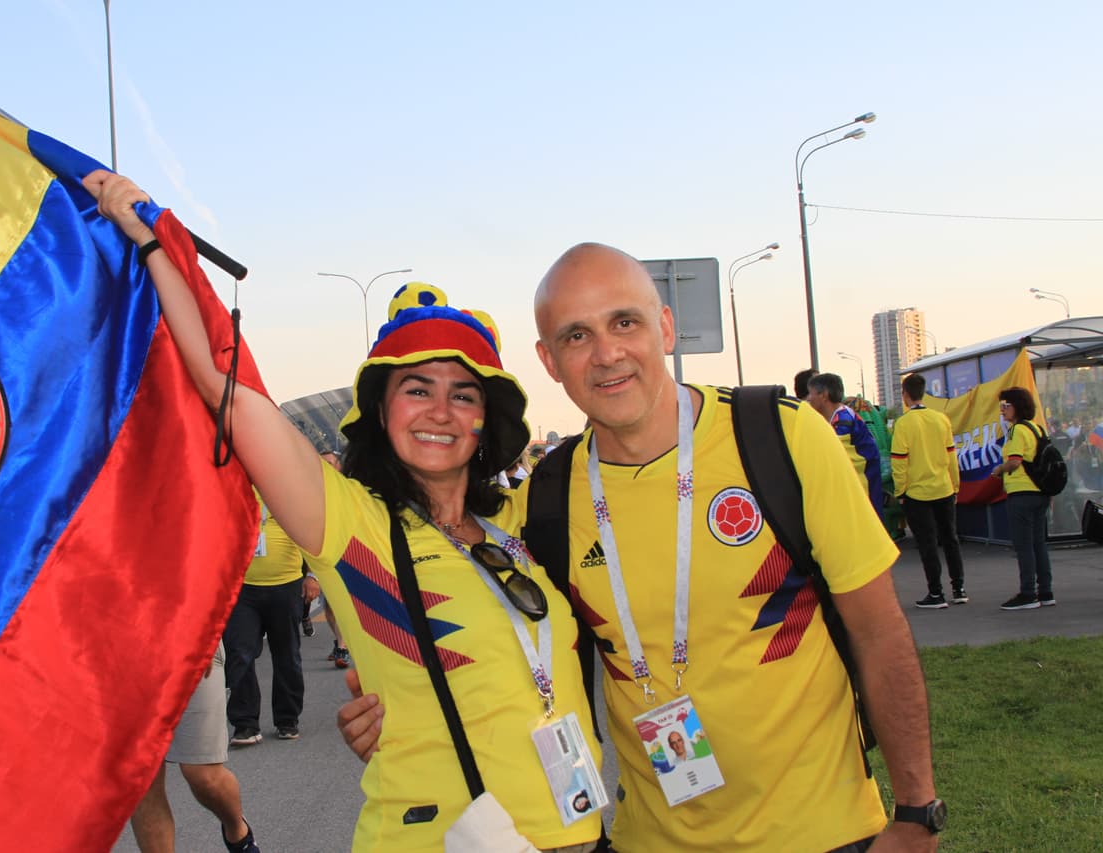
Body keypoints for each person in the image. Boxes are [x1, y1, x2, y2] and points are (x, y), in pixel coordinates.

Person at [343, 243, 943, 852]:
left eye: (624, 322)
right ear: (549, 361)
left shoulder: (781, 438)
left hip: (825, 835)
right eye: (576, 336)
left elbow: (878, 630)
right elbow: (488, 620)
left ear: (665, 326)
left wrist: (918, 810)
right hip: (646, 841)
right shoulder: (545, 501)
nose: (607, 354)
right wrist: (389, 698)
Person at [85, 169, 605, 853]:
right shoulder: (350, 520)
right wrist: (153, 243)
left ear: (488, 418)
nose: (441, 412)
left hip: (582, 831)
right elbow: (227, 389)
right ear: (380, 411)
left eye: (463, 394)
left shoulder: (521, 520)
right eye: (417, 389)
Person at [129, 643, 260, 853]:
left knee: (202, 774)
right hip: (125, 657)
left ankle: (237, 831)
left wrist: (202, 632)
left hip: (190, 643)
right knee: (143, 783)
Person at [224, 500, 318, 744]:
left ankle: (287, 719)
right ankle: (245, 724)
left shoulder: (280, 486)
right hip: (241, 588)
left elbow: (309, 532)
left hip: (286, 585)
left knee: (286, 655)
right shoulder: (234, 487)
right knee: (238, 653)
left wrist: (312, 575)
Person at [891, 373, 966, 609]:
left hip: (916, 493)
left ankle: (936, 593)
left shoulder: (903, 424)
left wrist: (900, 491)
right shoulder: (941, 419)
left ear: (905, 395)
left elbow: (899, 462)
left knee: (927, 543)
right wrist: (955, 486)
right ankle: (959, 588)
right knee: (950, 539)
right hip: (943, 488)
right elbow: (951, 456)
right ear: (923, 393)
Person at [990, 387, 1055, 610]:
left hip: (1021, 492)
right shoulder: (1037, 429)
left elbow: (1015, 461)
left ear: (1017, 406)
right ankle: (1045, 591)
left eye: (1006, 405)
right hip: (1040, 492)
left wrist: (1000, 469)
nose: (1002, 410)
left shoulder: (1018, 430)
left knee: (1024, 545)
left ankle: (1028, 593)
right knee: (1038, 543)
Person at [807, 372, 885, 516]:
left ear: (823, 395)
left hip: (863, 483)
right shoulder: (838, 416)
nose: (808, 399)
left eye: (811, 394)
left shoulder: (842, 419)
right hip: (859, 481)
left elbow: (833, 454)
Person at [316, 450, 352, 669]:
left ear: (339, 466)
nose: (327, 467)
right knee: (328, 607)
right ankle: (339, 641)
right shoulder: (313, 491)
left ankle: (343, 647)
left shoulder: (348, 490)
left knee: (341, 603)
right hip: (322, 555)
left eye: (330, 463)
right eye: (323, 463)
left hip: (346, 553)